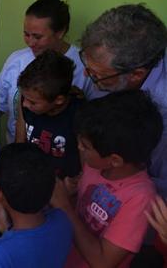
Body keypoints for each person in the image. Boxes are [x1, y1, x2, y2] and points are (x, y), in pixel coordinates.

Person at [51, 90, 162, 267]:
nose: (78, 147)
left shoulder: (141, 198)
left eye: (85, 146)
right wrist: (71, 194)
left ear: (115, 160)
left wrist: (64, 206)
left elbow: (103, 262)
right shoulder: (95, 166)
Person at [78, 4, 167, 199]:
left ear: (136, 74)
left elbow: (159, 188)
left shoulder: (163, 110)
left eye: (96, 75)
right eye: (87, 66)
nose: (86, 75)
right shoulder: (117, 70)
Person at [0, 0, 91, 143]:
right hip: (18, 154)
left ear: (60, 32)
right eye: (26, 34)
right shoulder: (16, 60)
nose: (30, 42)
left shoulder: (86, 67)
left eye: (38, 37)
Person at [15, 50, 84, 179]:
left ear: (59, 100)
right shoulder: (26, 102)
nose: (25, 104)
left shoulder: (79, 116)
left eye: (33, 102)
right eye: (24, 98)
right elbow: (20, 143)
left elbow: (85, 166)